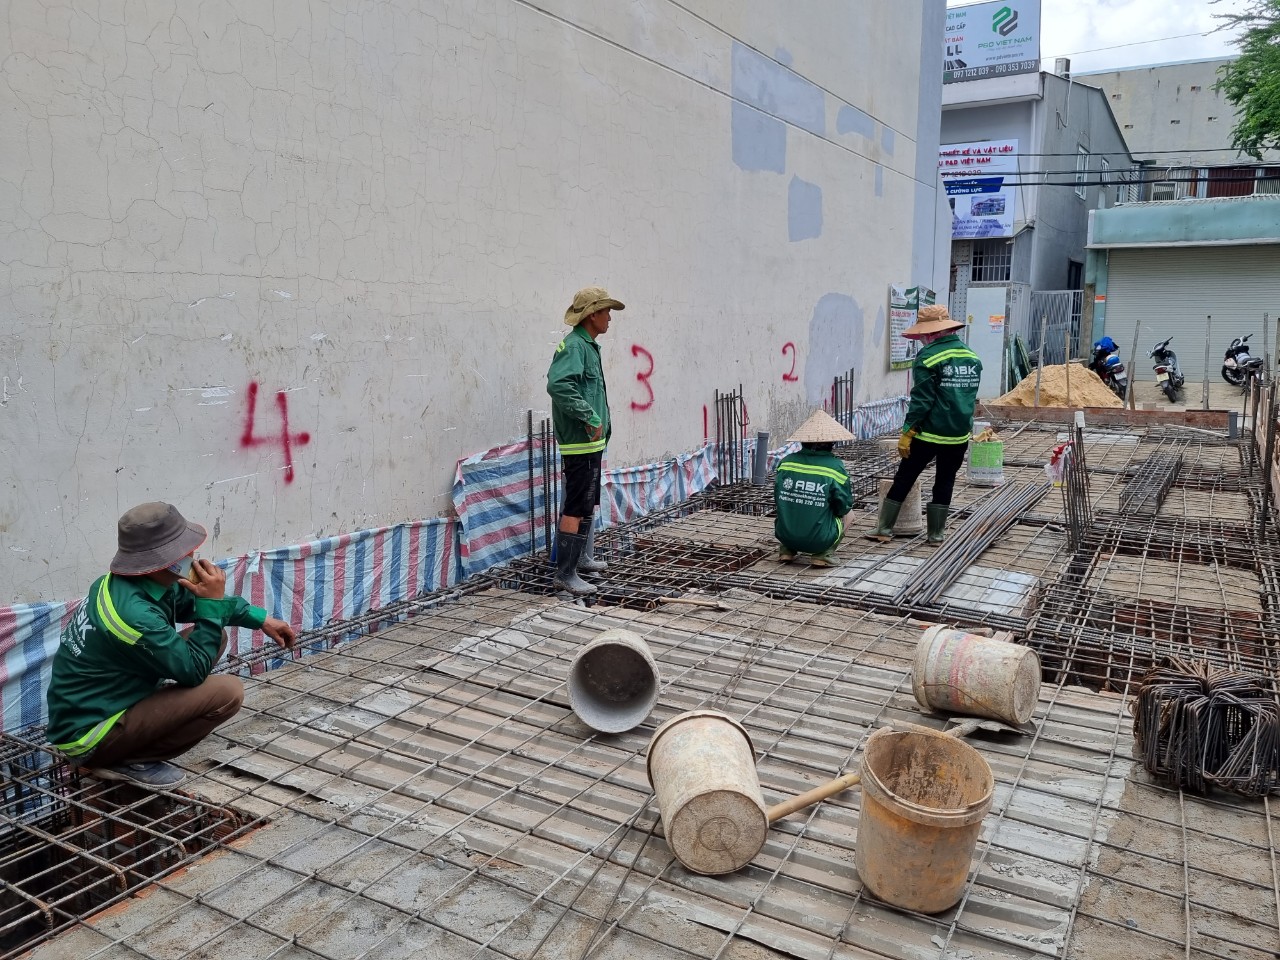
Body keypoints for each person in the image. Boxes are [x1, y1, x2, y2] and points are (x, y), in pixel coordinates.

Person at [45, 502, 297, 788]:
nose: (192, 556)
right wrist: (212, 602)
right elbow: (194, 670)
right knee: (228, 693)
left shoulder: (132, 582)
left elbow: (195, 602)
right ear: (167, 560)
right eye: (186, 550)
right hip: (90, 734)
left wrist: (260, 619)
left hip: (104, 699)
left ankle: (140, 728)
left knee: (215, 636)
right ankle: (127, 760)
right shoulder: (134, 616)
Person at [869, 304, 982, 546]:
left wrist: (907, 431)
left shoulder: (928, 357)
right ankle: (936, 534)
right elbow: (966, 396)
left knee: (905, 476)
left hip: (929, 433)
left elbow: (922, 400)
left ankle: (884, 528)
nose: (921, 339)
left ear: (932, 333)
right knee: (945, 480)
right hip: (959, 434)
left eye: (923, 335)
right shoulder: (972, 357)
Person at [546, 286, 625, 595]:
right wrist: (590, 417)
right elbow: (558, 385)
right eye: (606, 312)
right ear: (592, 315)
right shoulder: (575, 347)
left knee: (587, 502)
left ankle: (579, 560)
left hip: (591, 444)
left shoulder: (588, 346)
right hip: (579, 443)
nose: (610, 318)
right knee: (576, 506)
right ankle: (565, 574)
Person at [774, 410, 855, 567]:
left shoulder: (786, 462)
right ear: (832, 444)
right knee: (850, 515)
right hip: (820, 539)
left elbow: (778, 498)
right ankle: (823, 554)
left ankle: (787, 550)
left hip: (784, 534)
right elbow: (843, 506)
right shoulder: (835, 467)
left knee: (789, 507)